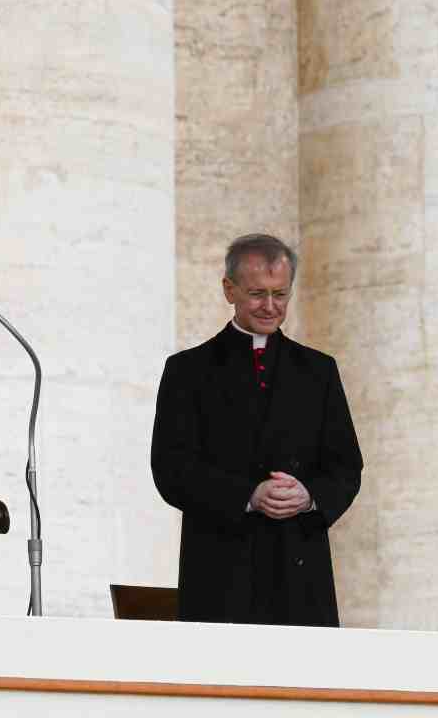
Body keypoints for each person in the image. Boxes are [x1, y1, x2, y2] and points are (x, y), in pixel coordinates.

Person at [151, 234, 362, 626]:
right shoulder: (188, 371)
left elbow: (346, 468)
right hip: (220, 571)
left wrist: (310, 495)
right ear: (229, 290)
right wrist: (247, 495)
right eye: (257, 294)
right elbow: (171, 469)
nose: (270, 306)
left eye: (280, 294)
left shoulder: (319, 371)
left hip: (300, 571)